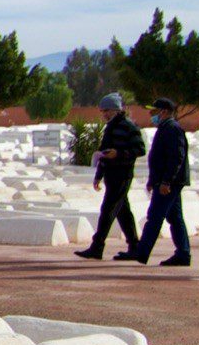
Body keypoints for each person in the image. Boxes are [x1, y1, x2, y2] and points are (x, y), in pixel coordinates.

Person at [119, 98, 190, 266]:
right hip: (164, 180)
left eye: (154, 112)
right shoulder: (165, 128)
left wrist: (166, 181)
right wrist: (153, 180)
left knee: (155, 216)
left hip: (169, 183)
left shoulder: (172, 129)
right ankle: (183, 253)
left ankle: (142, 253)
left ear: (164, 111)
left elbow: (176, 157)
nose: (151, 115)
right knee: (175, 217)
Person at [76, 93, 145, 260]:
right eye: (102, 111)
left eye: (106, 110)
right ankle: (135, 247)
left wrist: (119, 154)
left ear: (115, 110)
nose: (104, 114)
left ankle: (97, 246)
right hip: (111, 174)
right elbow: (103, 152)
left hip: (122, 174)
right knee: (122, 211)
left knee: (108, 210)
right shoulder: (110, 128)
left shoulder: (129, 127)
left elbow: (140, 150)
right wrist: (98, 175)